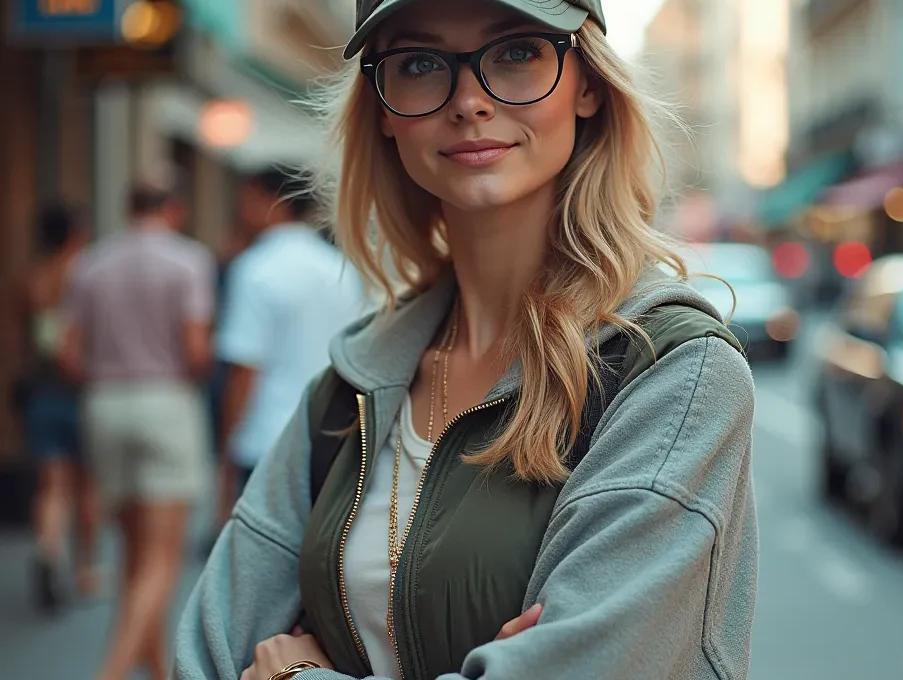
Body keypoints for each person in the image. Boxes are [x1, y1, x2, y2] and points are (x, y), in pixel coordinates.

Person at [175, 0, 758, 678]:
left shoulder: (673, 370)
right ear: (385, 110)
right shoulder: (352, 386)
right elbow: (206, 655)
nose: (470, 100)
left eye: (515, 52)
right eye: (421, 64)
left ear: (588, 83)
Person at [62, 177, 215, 680]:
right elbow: (195, 351)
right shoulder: (189, 260)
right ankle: (112, 672)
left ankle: (157, 668)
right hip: (165, 400)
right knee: (161, 559)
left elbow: (67, 350)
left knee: (133, 555)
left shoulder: (91, 262)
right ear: (173, 208)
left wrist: (104, 375)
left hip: (104, 402)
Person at [215, 167, 368, 525]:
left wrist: (226, 446)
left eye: (247, 199)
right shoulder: (341, 268)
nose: (240, 210)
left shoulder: (256, 268)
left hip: (264, 439)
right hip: (329, 437)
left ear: (270, 202)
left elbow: (244, 369)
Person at [18, 202, 99, 613]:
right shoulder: (84, 273)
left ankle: (48, 550)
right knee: (86, 485)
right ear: (74, 233)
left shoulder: (34, 276)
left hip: (41, 391)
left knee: (51, 486)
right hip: (79, 389)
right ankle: (84, 569)